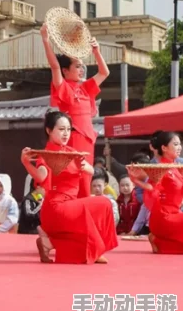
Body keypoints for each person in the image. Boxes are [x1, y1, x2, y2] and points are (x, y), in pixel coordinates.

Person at [21, 110, 118, 264]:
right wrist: (26, 163)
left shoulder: (72, 152)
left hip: (69, 206)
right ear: (49, 130)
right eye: (61, 129)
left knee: (89, 216)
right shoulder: (47, 154)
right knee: (104, 203)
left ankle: (50, 243)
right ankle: (95, 248)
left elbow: (92, 171)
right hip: (57, 207)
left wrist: (82, 166)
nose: (66, 133)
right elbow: (41, 176)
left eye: (68, 129)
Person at [41, 23, 109, 198]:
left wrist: (96, 51)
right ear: (66, 70)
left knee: (86, 179)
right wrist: (45, 40)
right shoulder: (63, 87)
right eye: (77, 66)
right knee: (74, 179)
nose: (81, 70)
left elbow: (104, 72)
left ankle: (82, 212)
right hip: (73, 137)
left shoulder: (85, 88)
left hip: (88, 139)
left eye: (82, 66)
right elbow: (54, 66)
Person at [128, 131, 183, 254]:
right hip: (163, 216)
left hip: (175, 214)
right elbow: (152, 188)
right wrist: (135, 180)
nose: (179, 147)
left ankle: (159, 241)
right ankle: (158, 238)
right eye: (175, 144)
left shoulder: (177, 167)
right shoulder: (159, 168)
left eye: (180, 144)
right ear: (164, 148)